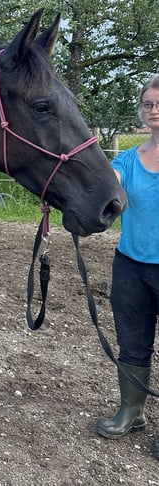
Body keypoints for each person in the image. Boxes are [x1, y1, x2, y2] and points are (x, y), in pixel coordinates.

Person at [97, 75, 159, 460]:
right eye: (149, 104)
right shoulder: (127, 160)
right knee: (132, 342)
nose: (154, 111)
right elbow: (109, 185)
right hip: (131, 265)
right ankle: (131, 412)